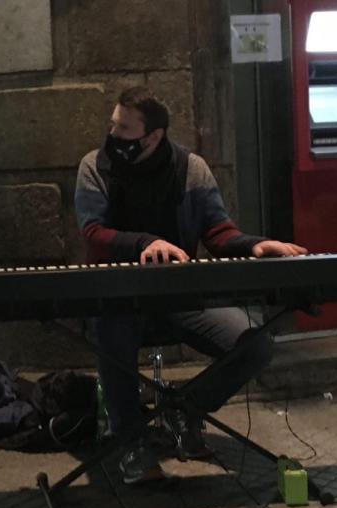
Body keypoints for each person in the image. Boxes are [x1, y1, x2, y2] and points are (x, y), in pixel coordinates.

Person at [75, 86, 308, 485]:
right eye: (113, 125)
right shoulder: (95, 166)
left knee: (255, 345)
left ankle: (184, 411)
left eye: (124, 129)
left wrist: (254, 244)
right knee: (111, 333)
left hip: (182, 299)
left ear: (153, 137)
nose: (113, 135)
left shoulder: (191, 168)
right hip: (120, 299)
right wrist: (146, 242)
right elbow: (94, 233)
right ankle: (130, 440)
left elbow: (218, 232)